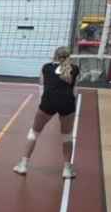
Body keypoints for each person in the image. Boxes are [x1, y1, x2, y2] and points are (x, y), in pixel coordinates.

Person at [13, 47, 80, 180]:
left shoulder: (46, 67)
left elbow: (41, 88)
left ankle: (23, 165)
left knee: (34, 132)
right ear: (68, 57)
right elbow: (75, 91)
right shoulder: (75, 69)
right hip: (67, 103)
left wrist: (43, 104)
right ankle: (67, 169)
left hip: (48, 102)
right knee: (67, 136)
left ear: (54, 56)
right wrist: (70, 105)